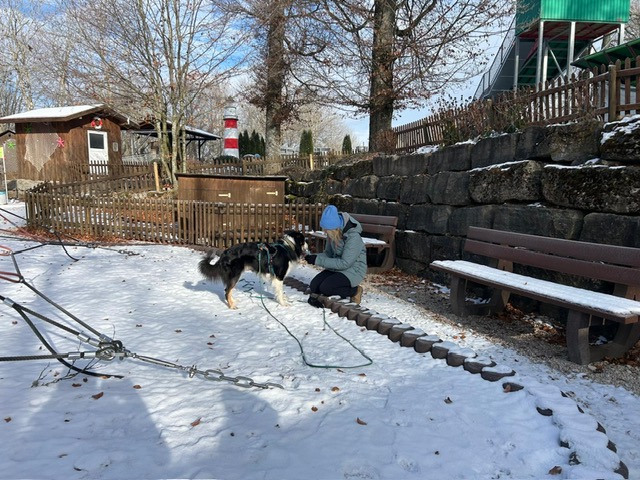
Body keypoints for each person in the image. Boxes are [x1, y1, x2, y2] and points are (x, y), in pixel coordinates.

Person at [305, 205, 367, 307]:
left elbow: (345, 263)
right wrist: (313, 257)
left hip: (353, 270)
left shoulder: (353, 237)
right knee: (314, 286)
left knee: (326, 288)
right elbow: (328, 254)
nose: (325, 232)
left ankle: (355, 291)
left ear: (335, 228)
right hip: (337, 267)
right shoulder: (333, 234)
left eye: (327, 230)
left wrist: (318, 260)